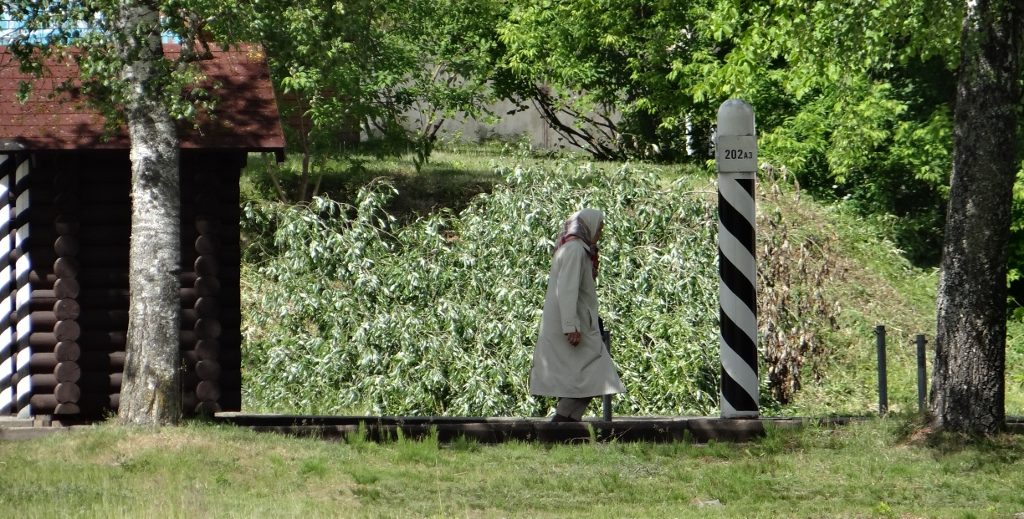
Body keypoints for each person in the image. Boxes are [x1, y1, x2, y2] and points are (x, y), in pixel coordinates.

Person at [529, 208, 625, 422]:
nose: (600, 232)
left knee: (587, 379)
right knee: (597, 375)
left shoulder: (577, 248)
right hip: (574, 327)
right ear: (589, 227)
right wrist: (570, 326)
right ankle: (561, 424)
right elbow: (567, 289)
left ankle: (566, 426)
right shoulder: (574, 249)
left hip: (579, 324)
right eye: (599, 227)